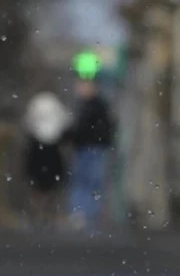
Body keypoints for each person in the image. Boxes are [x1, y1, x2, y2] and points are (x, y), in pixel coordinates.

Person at [63, 75, 116, 229]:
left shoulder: (94, 106)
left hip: (92, 148)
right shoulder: (86, 106)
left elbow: (90, 128)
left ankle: (86, 212)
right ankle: (82, 212)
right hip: (85, 148)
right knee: (84, 180)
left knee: (90, 180)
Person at [22, 92, 70, 228]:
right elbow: (65, 124)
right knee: (49, 184)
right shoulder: (55, 106)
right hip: (50, 149)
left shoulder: (36, 103)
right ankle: (44, 212)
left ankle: (39, 211)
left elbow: (28, 123)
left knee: (38, 183)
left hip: (39, 148)